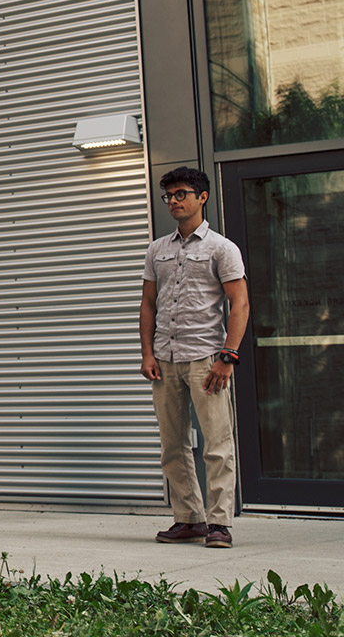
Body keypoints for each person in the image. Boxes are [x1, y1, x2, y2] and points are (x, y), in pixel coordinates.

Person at [140, 167, 248, 549]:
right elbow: (148, 304)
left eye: (181, 194)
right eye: (168, 196)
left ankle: (219, 523)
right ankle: (189, 518)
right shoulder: (158, 249)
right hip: (165, 360)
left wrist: (228, 356)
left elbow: (240, 303)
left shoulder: (222, 248)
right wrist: (147, 352)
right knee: (173, 444)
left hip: (206, 359)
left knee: (217, 444)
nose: (173, 201)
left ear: (202, 197)